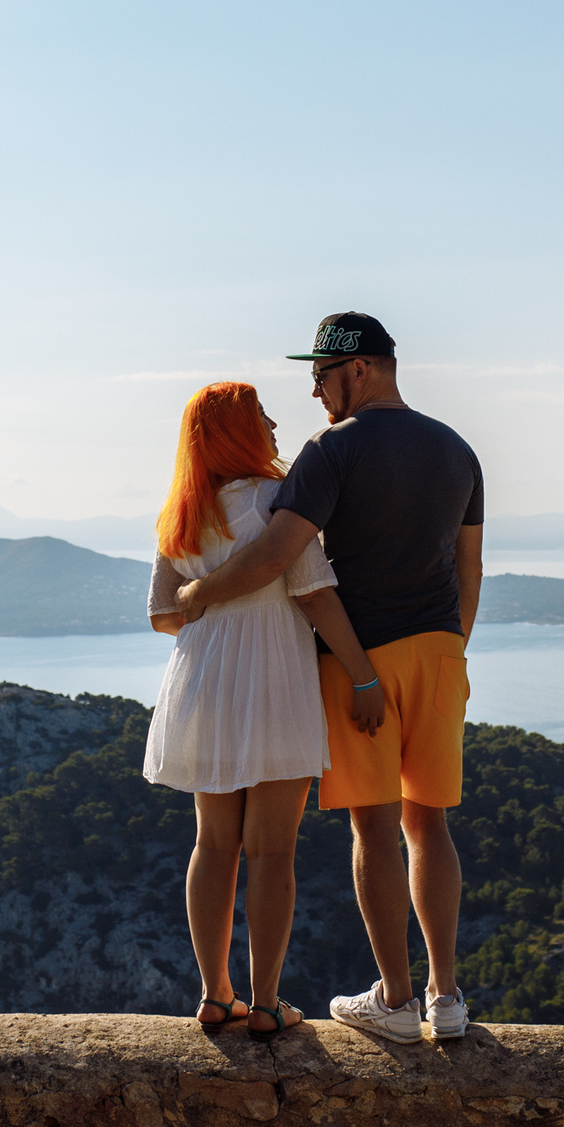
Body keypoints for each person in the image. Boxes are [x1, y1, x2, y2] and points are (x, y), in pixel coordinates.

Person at [174, 313, 484, 1044]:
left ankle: (398, 1001)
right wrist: (453, 650)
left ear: (362, 369)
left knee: (375, 824)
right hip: (440, 651)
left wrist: (199, 595)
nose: (314, 391)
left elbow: (278, 555)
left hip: (360, 661)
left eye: (321, 374)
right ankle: (447, 995)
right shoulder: (459, 450)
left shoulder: (330, 450)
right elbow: (469, 567)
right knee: (429, 822)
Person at [144, 381, 382, 1038]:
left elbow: (165, 615)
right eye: (261, 415)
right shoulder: (279, 503)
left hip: (203, 677)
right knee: (272, 849)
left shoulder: (179, 516)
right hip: (273, 674)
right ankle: (269, 1000)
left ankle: (216, 993)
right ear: (237, 433)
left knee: (212, 843)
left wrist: (213, 609)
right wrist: (362, 675)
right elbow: (314, 593)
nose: (275, 424)